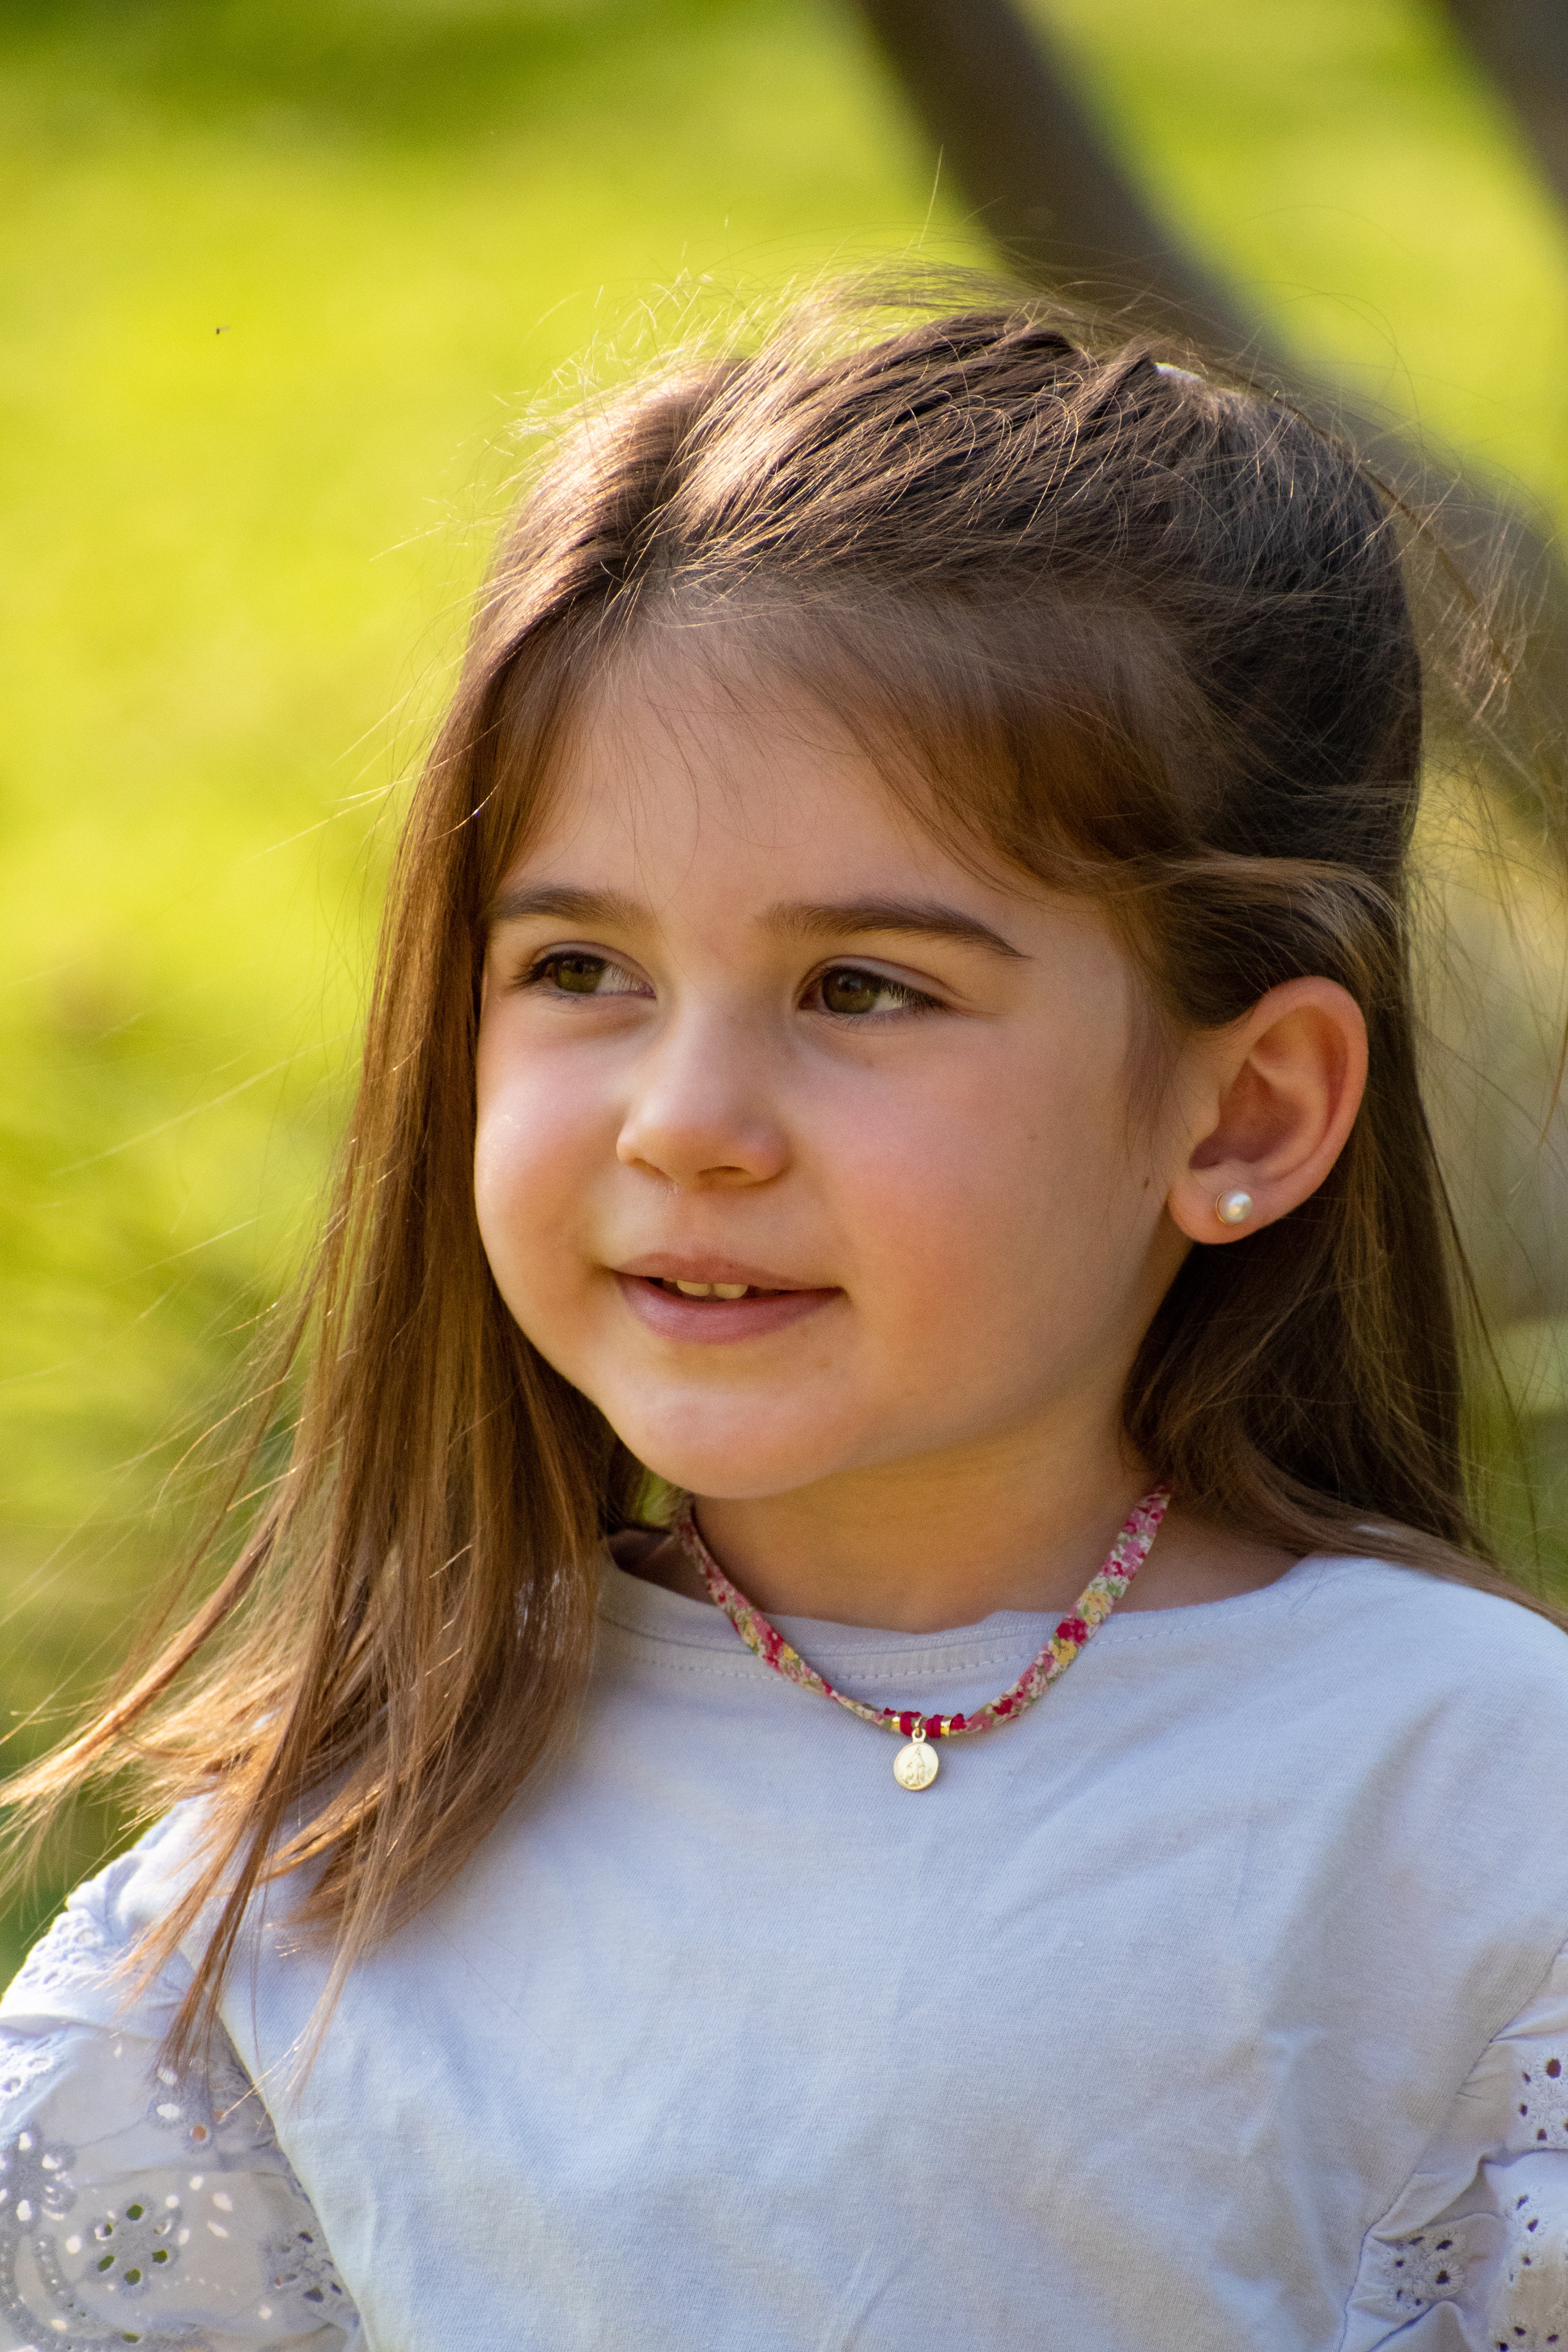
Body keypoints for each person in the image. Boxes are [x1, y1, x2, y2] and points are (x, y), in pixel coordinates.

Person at [2, 283, 1566, 2352]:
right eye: (581, 971)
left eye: (863, 990)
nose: (689, 1123)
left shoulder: (1468, 1813)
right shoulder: (295, 1891)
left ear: (1245, 1106)